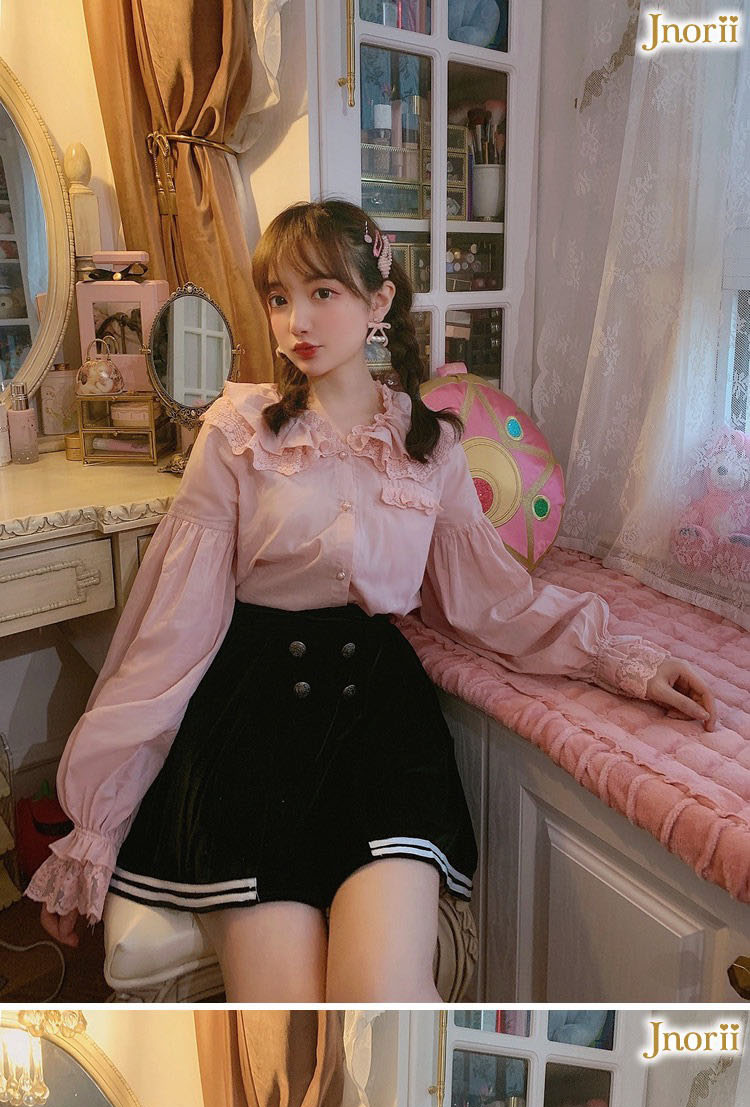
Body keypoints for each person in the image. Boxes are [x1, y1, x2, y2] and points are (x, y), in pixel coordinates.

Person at [29, 200, 714, 1002]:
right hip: (250, 726)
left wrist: (620, 661)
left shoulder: (431, 447)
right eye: (279, 298)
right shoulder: (240, 433)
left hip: (379, 729)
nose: (296, 321)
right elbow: (171, 633)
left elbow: (491, 601)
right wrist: (96, 824)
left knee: (385, 998)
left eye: (322, 292)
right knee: (284, 1011)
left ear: (378, 302)